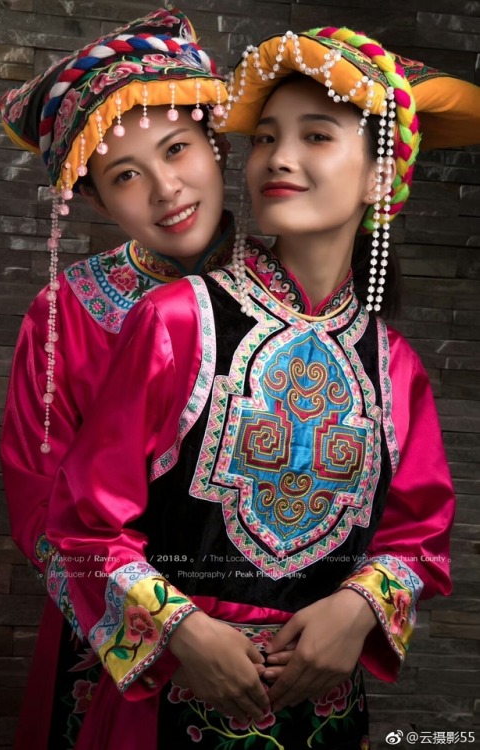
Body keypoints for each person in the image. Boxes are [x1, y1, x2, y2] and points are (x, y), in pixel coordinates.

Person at [43, 25, 480, 749]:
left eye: (315, 136)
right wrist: (183, 632)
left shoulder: (394, 362)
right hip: (174, 705)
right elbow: (85, 528)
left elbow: (420, 538)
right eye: (265, 138)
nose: (279, 158)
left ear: (383, 175)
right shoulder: (175, 320)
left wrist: (360, 610)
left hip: (330, 711)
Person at [0, 7, 232, 749]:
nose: (167, 189)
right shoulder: (65, 314)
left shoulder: (300, 285)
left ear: (214, 145)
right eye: (127, 175)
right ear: (96, 199)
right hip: (120, 645)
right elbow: (43, 515)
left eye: (178, 150)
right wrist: (171, 627)